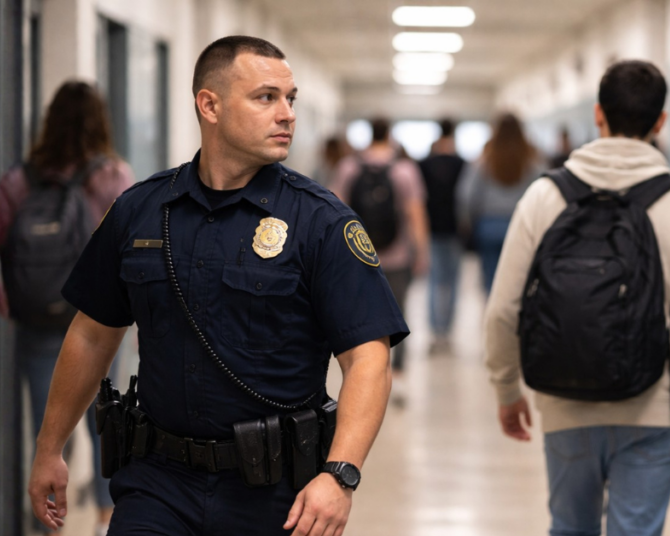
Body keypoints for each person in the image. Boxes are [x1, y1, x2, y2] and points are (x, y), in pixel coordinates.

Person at [27, 36, 408, 536]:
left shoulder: (321, 223)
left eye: (290, 99)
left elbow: (368, 360)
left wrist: (339, 474)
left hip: (275, 494)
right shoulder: (139, 211)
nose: (286, 114)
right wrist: (49, 448)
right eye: (266, 97)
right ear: (209, 104)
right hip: (156, 483)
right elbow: (93, 333)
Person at [483, 60, 670, 536]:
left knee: (570, 527)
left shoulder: (544, 196)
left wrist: (508, 389)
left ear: (598, 114)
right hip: (655, 402)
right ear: (660, 122)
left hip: (563, 398)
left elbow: (504, 310)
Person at [0, 80, 135, 534]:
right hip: (101, 325)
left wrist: (7, 305)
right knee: (105, 428)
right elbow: (137, 249)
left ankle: (51, 526)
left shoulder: (19, 181)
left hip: (39, 323)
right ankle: (107, 522)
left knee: (49, 435)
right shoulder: (113, 178)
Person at [332, 118, 429, 404]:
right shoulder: (405, 169)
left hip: (357, 256)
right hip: (396, 257)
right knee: (399, 316)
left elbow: (333, 209)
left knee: (358, 317)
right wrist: (421, 251)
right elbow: (415, 213)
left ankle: (360, 377)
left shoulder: (348, 167)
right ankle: (396, 377)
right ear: (388, 134)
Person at [457, 113, 543, 294]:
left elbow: (467, 196)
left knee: (491, 282)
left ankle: (493, 317)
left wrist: (469, 223)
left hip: (489, 227)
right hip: (522, 227)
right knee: (519, 282)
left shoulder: (484, 161)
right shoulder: (532, 162)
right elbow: (542, 194)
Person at [418, 118, 466, 355]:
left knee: (435, 282)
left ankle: (436, 333)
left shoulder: (424, 164)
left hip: (432, 228)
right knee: (453, 282)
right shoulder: (462, 163)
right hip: (456, 229)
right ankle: (447, 332)